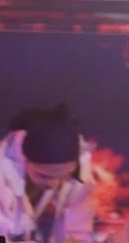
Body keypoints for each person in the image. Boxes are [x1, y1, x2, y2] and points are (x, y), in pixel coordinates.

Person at [0, 104, 96, 243]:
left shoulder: (80, 171)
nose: (53, 184)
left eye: (64, 176)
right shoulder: (3, 171)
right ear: (23, 159)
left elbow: (77, 229)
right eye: (44, 175)